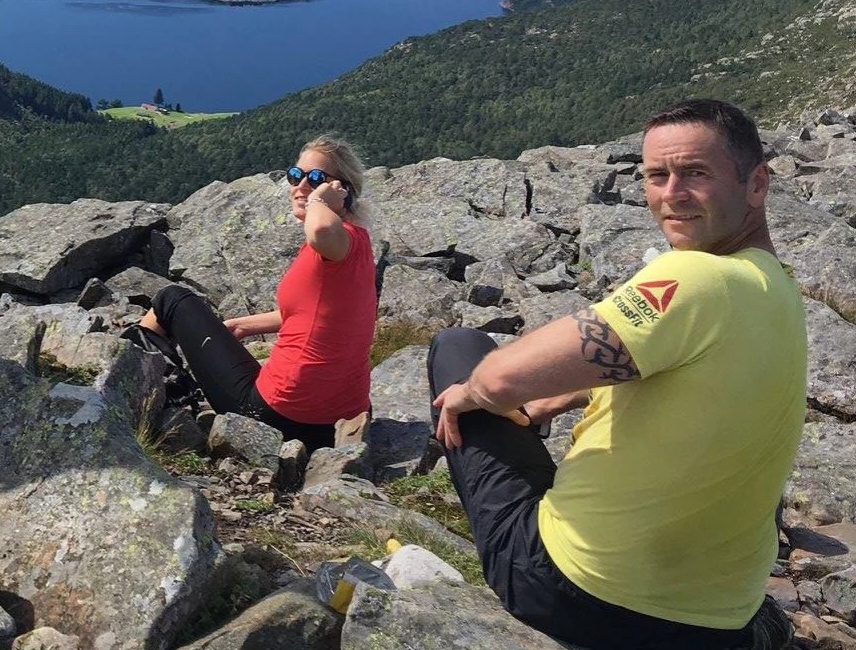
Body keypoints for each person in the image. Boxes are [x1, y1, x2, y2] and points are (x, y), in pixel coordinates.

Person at [428, 98, 800, 649]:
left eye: (696, 173)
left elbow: (503, 378)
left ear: (756, 183)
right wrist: (562, 396)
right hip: (720, 617)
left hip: (584, 596)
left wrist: (471, 394)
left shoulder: (694, 276)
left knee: (458, 348)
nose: (671, 193)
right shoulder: (775, 286)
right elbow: (683, 363)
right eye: (656, 175)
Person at [136, 136, 377, 450]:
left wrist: (318, 202)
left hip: (278, 415)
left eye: (316, 178)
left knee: (171, 300)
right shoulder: (357, 243)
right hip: (336, 423)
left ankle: (133, 387)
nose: (301, 185)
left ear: (341, 191)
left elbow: (319, 231)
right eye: (295, 175)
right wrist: (247, 325)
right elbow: (322, 312)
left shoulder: (336, 240)